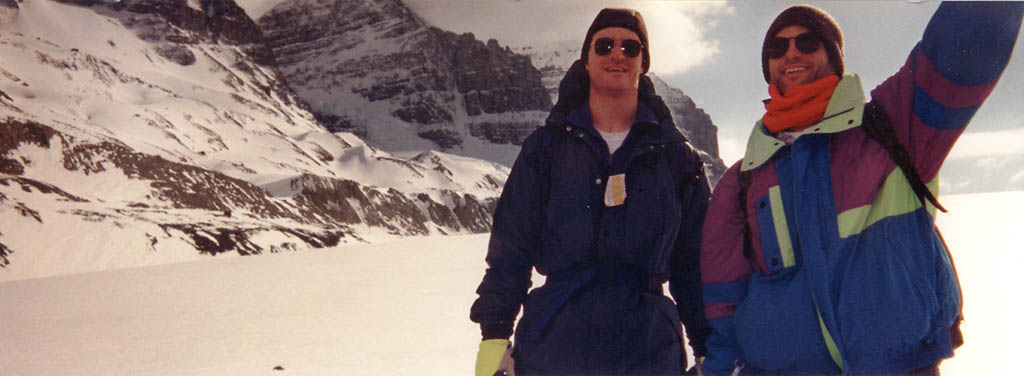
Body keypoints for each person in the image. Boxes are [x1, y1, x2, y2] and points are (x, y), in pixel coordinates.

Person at [700, 3, 1022, 375]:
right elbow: (724, 303)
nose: (791, 52)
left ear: (834, 57)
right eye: (777, 47)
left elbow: (965, 48)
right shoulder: (743, 178)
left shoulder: (894, 126)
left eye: (808, 42)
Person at [470, 8, 711, 376]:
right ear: (586, 59)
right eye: (604, 45)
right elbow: (510, 251)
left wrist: (708, 347)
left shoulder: (677, 158)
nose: (618, 54)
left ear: (643, 63)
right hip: (552, 347)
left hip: (648, 351)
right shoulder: (545, 148)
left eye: (631, 47)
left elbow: (694, 266)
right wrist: (494, 338)